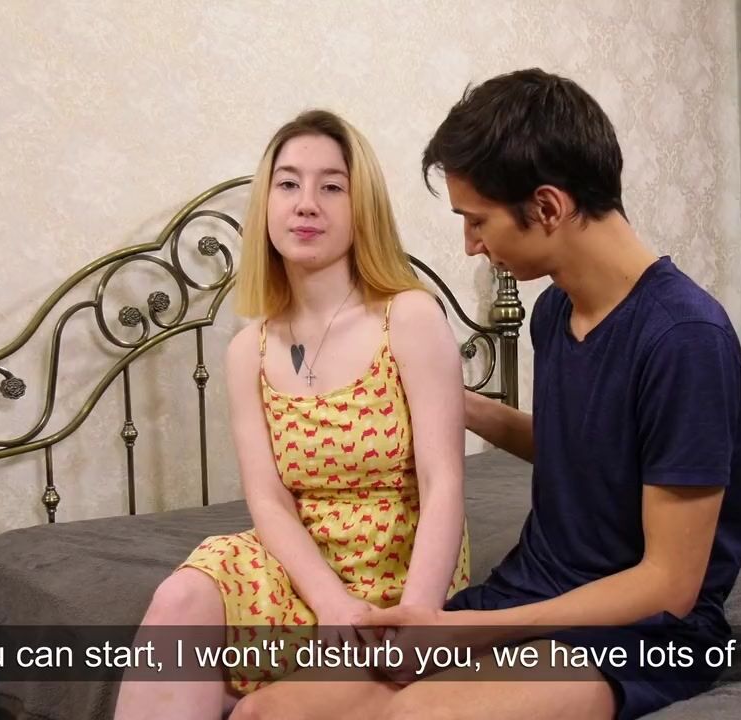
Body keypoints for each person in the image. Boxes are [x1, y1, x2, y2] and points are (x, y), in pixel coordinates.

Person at [354, 68, 741, 720]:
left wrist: (469, 630)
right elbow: (585, 453)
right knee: (275, 708)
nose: (471, 245)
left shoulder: (684, 337)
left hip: (645, 630)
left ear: (546, 207)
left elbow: (670, 585)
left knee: (416, 715)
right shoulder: (554, 313)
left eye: (476, 221)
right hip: (532, 588)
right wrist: (461, 404)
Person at [112, 109, 470, 720]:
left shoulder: (409, 316)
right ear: (267, 204)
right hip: (299, 569)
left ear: (362, 207)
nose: (306, 203)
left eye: (332, 186)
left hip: (400, 570)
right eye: (288, 184)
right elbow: (269, 499)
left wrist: (418, 621)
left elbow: (444, 483)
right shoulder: (246, 351)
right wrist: (329, 604)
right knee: (178, 599)